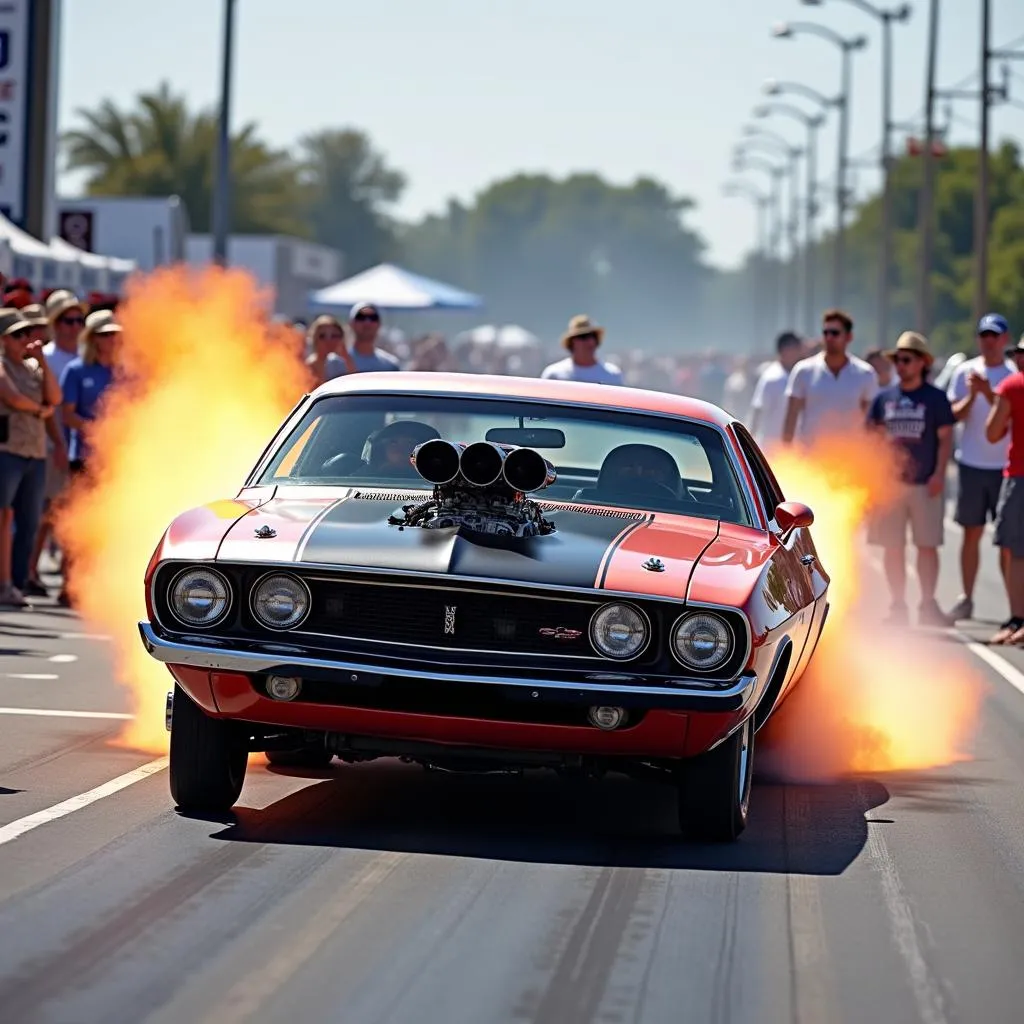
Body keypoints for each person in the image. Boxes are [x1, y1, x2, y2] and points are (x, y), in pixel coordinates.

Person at [866, 332, 955, 627]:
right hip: (891, 486)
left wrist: (940, 474)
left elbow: (945, 440)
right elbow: (872, 441)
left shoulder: (936, 398)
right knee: (893, 548)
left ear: (922, 363)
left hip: (924, 484)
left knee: (927, 546)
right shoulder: (884, 398)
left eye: (906, 360)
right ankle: (898, 606)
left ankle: (928, 604)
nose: (900, 365)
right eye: (897, 360)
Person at [944, 313, 1016, 622]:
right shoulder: (964, 371)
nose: (988, 341)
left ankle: (1014, 606)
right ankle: (967, 598)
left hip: (1006, 467)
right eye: (983, 335)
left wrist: (989, 393)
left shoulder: (1013, 372)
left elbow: (1015, 418)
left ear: (1005, 339)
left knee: (1008, 541)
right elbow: (953, 415)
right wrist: (974, 395)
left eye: (994, 335)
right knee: (971, 532)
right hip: (972, 463)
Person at [0, 308, 62, 607]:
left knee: (29, 522)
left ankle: (18, 582)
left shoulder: (32, 368)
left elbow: (56, 397)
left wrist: (43, 362)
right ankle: (5, 582)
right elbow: (11, 397)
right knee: (4, 518)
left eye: (28, 333)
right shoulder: (1, 365)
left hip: (34, 454)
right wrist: (39, 410)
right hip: (8, 451)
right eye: (18, 335)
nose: (26, 339)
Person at [782, 309, 878, 445]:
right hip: (811, 459)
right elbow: (791, 418)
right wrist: (787, 455)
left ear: (849, 337)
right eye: (825, 333)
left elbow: (872, 422)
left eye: (835, 333)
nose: (829, 338)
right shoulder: (803, 370)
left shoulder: (865, 374)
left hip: (852, 458)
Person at [984, 351, 1024, 644]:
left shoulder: (1011, 386)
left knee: (1015, 550)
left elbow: (993, 432)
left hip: (1019, 475)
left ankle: (1017, 619)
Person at [749, 331, 803, 447]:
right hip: (771, 447)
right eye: (796, 348)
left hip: (792, 447)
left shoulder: (796, 375)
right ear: (785, 350)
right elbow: (758, 411)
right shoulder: (772, 378)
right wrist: (749, 441)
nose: (799, 352)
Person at [541, 315, 623, 384]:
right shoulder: (554, 374)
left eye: (593, 336)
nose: (590, 341)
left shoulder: (612, 375)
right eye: (584, 336)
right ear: (572, 341)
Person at [347, 303, 401, 372]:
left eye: (373, 318)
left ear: (379, 324)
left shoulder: (390, 365)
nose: (367, 322)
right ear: (351, 323)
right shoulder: (338, 363)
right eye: (361, 317)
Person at [305, 315, 355, 383]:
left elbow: (355, 381)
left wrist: (345, 356)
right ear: (315, 339)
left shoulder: (341, 363)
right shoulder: (308, 366)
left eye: (334, 336)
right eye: (322, 336)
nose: (328, 340)